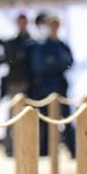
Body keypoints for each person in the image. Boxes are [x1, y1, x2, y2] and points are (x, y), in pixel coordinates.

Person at [26, 13, 76, 158]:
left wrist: (53, 63)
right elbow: (38, 65)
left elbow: (69, 62)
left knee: (66, 119)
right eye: (51, 25)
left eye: (56, 25)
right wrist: (56, 64)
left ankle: (72, 150)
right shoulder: (40, 46)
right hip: (44, 89)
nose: (54, 28)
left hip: (60, 87)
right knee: (44, 121)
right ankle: (44, 151)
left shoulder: (62, 45)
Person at [0, 12, 33, 156]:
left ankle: (26, 146)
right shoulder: (13, 42)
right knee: (12, 116)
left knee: (27, 117)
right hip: (14, 83)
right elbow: (9, 60)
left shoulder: (31, 41)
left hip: (29, 84)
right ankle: (9, 148)